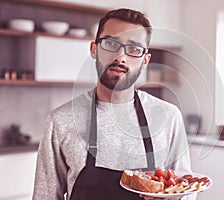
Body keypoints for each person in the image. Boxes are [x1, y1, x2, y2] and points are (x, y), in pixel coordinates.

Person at [33, 8, 194, 200]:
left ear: (145, 60)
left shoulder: (168, 117)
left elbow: (185, 189)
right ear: (94, 49)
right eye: (111, 43)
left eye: (134, 49)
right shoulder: (60, 121)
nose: (121, 57)